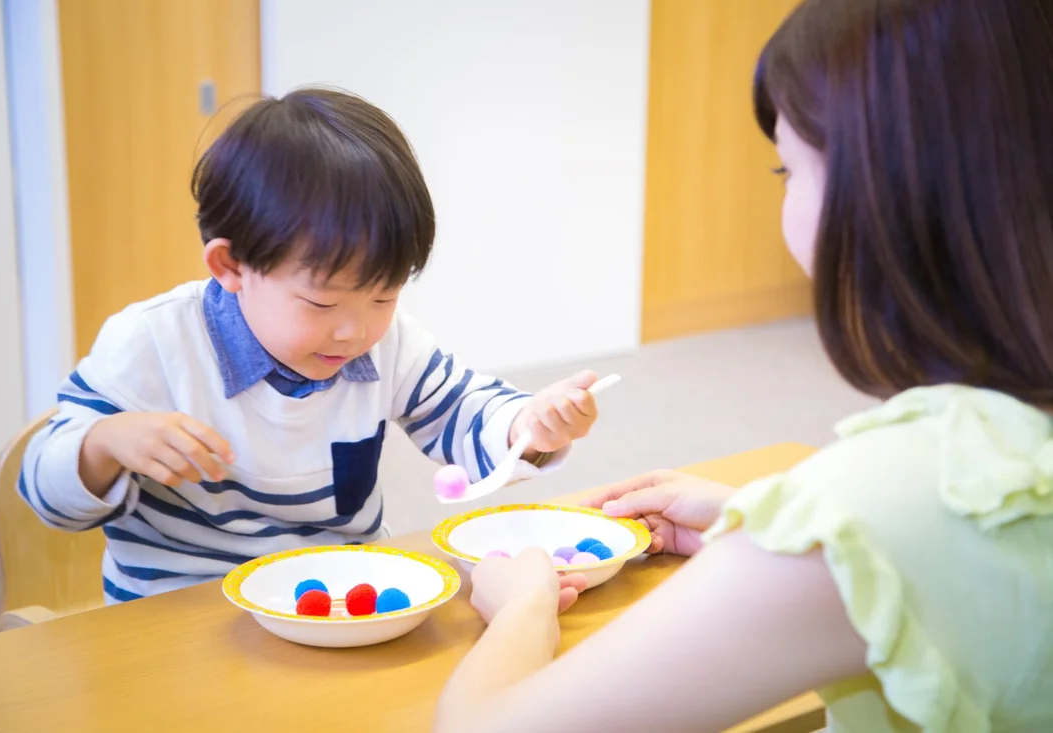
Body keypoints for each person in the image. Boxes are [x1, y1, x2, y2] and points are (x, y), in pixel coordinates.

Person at [434, 0, 1053, 730]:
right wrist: (759, 517)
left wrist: (522, 605)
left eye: (785, 166)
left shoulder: (865, 511)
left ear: (884, 189)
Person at [18, 88, 604, 603]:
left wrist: (528, 425)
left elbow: (460, 411)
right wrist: (105, 443)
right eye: (322, 303)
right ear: (232, 265)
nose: (356, 331)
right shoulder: (153, 342)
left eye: (384, 296)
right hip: (180, 613)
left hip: (342, 598)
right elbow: (46, 493)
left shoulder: (385, 344)